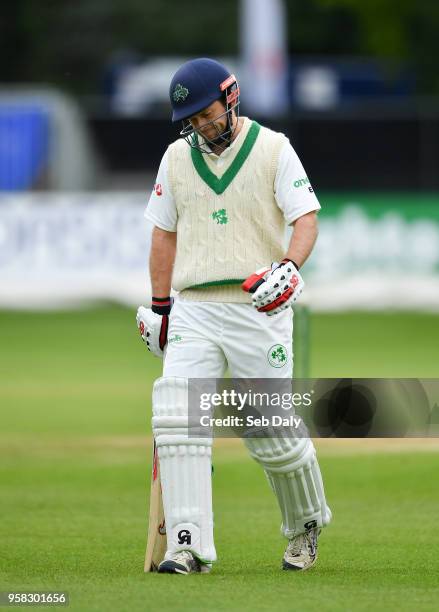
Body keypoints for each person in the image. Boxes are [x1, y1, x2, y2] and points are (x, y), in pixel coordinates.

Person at [137, 57, 331, 575]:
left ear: (230, 98)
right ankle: (188, 545)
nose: (202, 125)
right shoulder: (176, 158)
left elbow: (305, 218)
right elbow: (163, 234)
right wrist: (160, 307)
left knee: (264, 427)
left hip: (257, 304)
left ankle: (306, 523)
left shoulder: (273, 148)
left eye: (208, 113)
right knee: (178, 420)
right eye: (192, 119)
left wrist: (289, 266)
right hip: (195, 307)